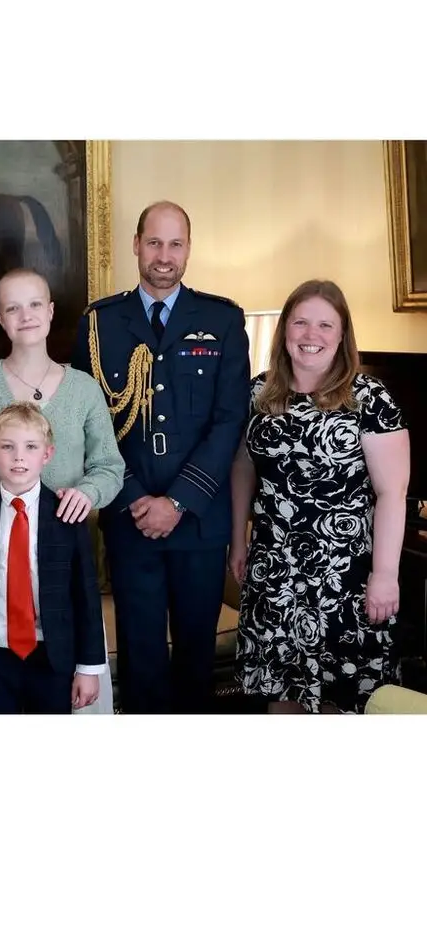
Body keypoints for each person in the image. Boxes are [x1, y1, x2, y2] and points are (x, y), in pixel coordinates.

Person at [72, 200, 251, 714]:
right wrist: (134, 499)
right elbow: (93, 423)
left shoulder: (221, 319)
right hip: (130, 522)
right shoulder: (98, 324)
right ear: (135, 245)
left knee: (197, 657)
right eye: (154, 242)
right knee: (140, 655)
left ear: (189, 249)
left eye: (175, 244)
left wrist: (178, 501)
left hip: (198, 523)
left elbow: (228, 422)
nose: (164, 255)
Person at [0, 267, 125, 713]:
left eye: (33, 305)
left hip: (62, 555)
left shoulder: (84, 389)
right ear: (0, 319)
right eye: (12, 307)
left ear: (49, 312)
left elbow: (109, 465)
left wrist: (86, 493)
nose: (24, 316)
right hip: (0, 544)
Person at [229, 279, 410, 714]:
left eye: (326, 325)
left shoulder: (370, 398)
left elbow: (392, 492)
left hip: (345, 577)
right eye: (301, 323)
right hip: (274, 571)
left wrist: (385, 574)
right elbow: (243, 467)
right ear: (285, 330)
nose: (311, 336)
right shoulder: (258, 393)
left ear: (342, 335)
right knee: (282, 694)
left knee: (342, 702)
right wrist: (239, 541)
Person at [0, 402, 107, 714]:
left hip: (52, 657)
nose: (19, 456)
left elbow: (85, 595)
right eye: (7, 447)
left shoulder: (67, 515)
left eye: (30, 446)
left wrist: (89, 668)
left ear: (47, 454)